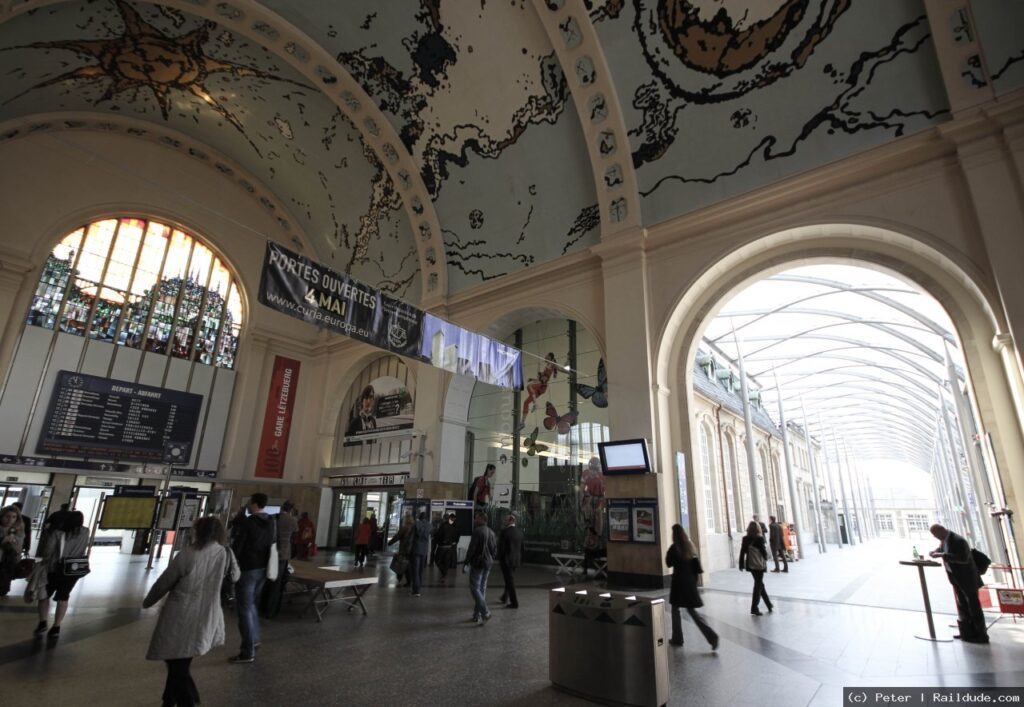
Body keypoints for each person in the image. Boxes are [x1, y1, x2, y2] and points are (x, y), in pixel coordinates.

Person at [144, 516, 240, 707]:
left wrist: (148, 601)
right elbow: (236, 576)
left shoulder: (188, 554)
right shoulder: (226, 553)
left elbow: (165, 581)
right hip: (207, 612)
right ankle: (169, 700)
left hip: (181, 611)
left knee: (175, 659)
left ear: (198, 531)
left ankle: (187, 699)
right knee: (181, 659)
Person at [229, 493, 275, 663]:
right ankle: (254, 638)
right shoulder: (271, 522)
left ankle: (247, 651)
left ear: (254, 503)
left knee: (244, 609)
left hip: (248, 568)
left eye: (249, 502)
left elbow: (238, 546)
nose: (248, 505)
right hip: (264, 568)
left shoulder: (248, 522)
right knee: (251, 605)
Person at [929, 523, 988, 643]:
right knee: (963, 606)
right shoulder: (945, 540)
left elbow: (963, 558)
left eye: (935, 534)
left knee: (974, 607)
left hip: (967, 579)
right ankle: (967, 632)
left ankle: (981, 635)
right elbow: (943, 549)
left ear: (941, 530)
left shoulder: (958, 540)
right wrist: (935, 551)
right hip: (957, 579)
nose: (935, 537)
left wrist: (942, 555)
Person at [34, 510, 89, 637]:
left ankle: (43, 622)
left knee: (44, 595)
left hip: (55, 569)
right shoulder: (85, 532)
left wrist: (43, 563)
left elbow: (48, 552)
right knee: (63, 597)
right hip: (73, 570)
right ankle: (56, 626)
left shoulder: (58, 533)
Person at [665, 524, 719, 650]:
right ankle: (711, 636)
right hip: (690, 584)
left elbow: (668, 562)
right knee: (692, 612)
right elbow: (697, 568)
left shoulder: (674, 548)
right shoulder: (690, 547)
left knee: (675, 610)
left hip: (679, 583)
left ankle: (677, 638)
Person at [259, 500, 298, 618]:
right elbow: (296, 533)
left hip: (269, 552)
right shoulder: (292, 520)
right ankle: (271, 611)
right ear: (291, 510)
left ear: (281, 508)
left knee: (266, 580)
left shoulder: (272, 518)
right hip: (283, 554)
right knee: (277, 583)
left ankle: (261, 607)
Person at [464, 511, 497, 625]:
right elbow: (494, 550)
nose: (474, 520)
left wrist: (466, 562)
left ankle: (486, 612)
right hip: (488, 563)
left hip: (478, 563)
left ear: (482, 519)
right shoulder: (492, 532)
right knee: (482, 588)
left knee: (474, 588)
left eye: (476, 518)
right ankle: (477, 615)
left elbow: (472, 548)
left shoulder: (477, 531)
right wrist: (491, 559)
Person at [738, 520, 774, 616]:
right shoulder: (759, 539)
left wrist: (741, 564)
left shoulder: (745, 539)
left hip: (751, 564)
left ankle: (769, 604)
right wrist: (766, 557)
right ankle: (754, 607)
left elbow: (742, 552)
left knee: (760, 584)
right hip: (759, 565)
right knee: (758, 585)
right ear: (758, 528)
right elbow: (763, 552)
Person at [497, 513, 523, 609]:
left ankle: (514, 602)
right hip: (515, 560)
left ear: (511, 521)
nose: (504, 521)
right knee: (509, 579)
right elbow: (522, 548)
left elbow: (501, 548)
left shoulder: (504, 532)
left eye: (506, 520)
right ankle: (505, 597)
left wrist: (500, 559)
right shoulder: (520, 532)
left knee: (510, 581)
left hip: (506, 561)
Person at [0, 505, 26, 596]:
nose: (10, 520)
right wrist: (3, 540)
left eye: (14, 517)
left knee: (3, 589)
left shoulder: (18, 531)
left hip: (8, 564)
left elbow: (19, 549)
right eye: (7, 516)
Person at [388, 513, 415, 586]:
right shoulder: (414, 528)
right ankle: (409, 581)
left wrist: (390, 543)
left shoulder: (404, 528)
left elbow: (397, 537)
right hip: (412, 549)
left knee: (401, 563)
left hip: (404, 549)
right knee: (408, 565)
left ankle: (400, 577)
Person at [408, 511, 431, 596]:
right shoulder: (429, 525)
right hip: (424, 550)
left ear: (419, 517)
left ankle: (416, 590)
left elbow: (411, 538)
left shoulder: (416, 524)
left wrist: (408, 549)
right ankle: (418, 587)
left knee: (415, 570)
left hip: (416, 549)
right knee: (421, 570)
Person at [433, 513, 459, 580]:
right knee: (446, 561)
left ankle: (444, 573)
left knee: (437, 560)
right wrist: (454, 542)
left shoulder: (443, 525)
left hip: (442, 546)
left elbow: (439, 535)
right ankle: (444, 574)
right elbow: (456, 534)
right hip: (450, 546)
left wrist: (437, 540)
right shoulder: (453, 526)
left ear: (444, 518)